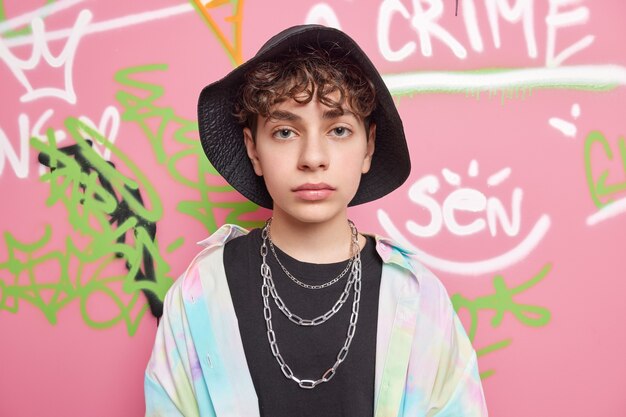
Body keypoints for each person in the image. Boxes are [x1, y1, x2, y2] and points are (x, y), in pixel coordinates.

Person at [144, 25, 488, 417]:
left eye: (338, 130)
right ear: (253, 148)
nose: (313, 157)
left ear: (368, 146)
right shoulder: (201, 292)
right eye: (286, 131)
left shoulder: (416, 295)